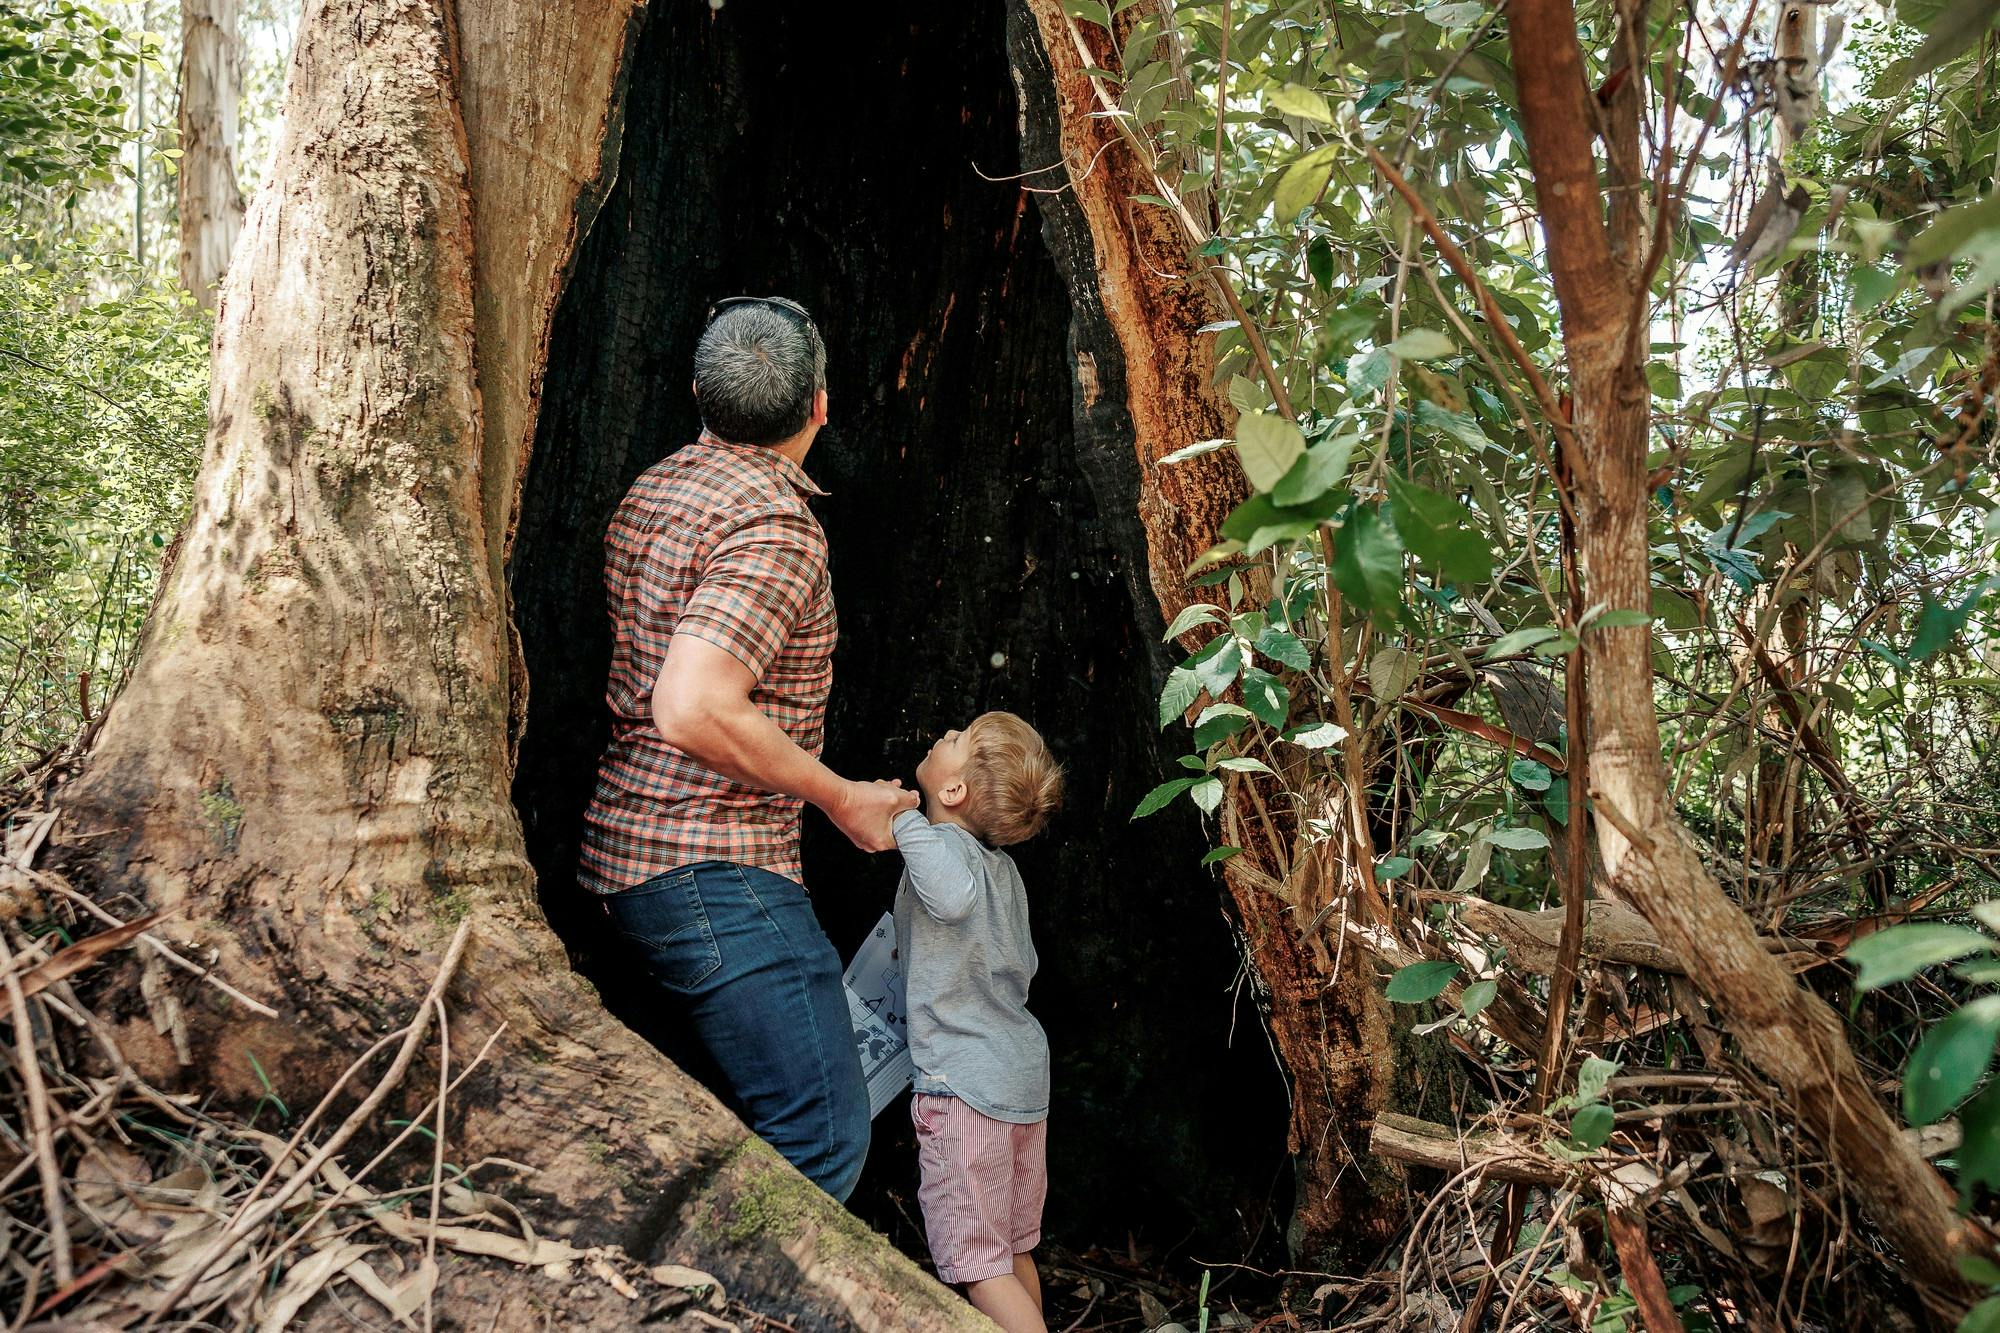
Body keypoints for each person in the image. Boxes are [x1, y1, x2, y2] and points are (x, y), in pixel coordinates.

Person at [580, 296, 917, 1203]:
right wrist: (842, 796)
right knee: (824, 1130)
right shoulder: (774, 529)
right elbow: (691, 705)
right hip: (709, 868)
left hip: (624, 851)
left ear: (697, 393)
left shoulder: (653, 490)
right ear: (820, 406)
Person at [893, 712, 1064, 1333]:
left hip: (965, 1088)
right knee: (1012, 1250)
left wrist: (899, 819)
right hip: (1019, 1082)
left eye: (955, 740)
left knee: (976, 1266)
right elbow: (1026, 961)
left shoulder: (938, 848)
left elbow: (949, 895)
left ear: (953, 790)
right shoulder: (1007, 872)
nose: (942, 736)